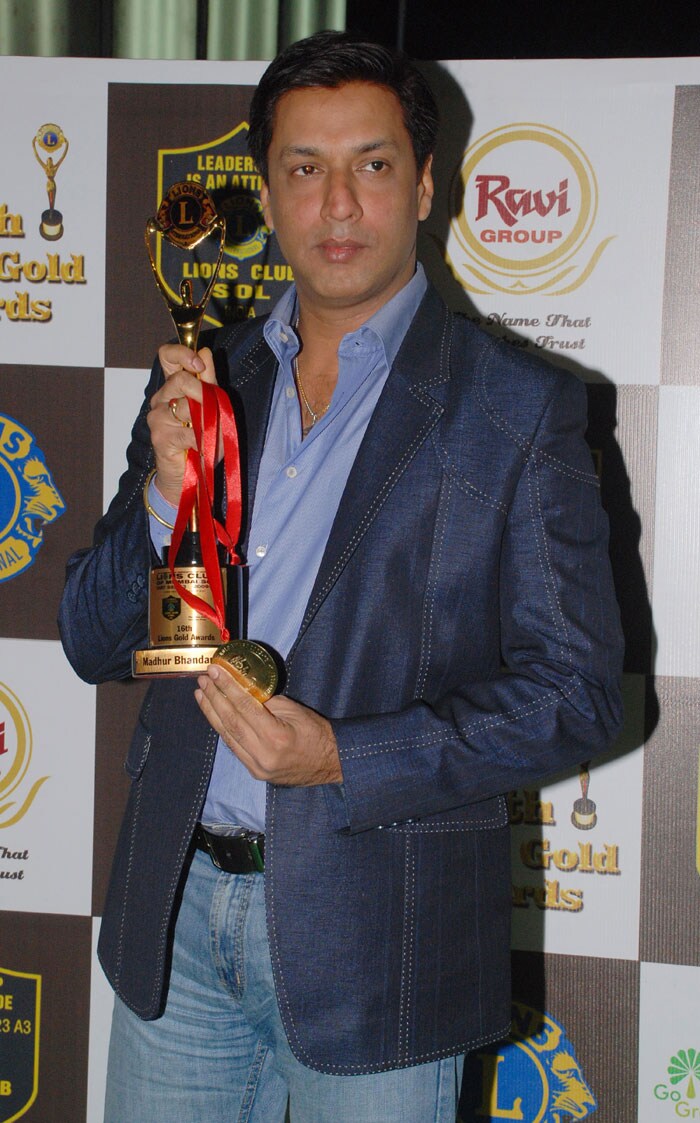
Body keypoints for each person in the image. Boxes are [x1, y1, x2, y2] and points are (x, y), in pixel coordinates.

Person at [59, 30, 624, 1123]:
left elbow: (578, 694)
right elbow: (90, 637)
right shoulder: (204, 377)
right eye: (303, 171)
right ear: (266, 198)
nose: (336, 206)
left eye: (369, 165)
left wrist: (341, 757)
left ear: (423, 185)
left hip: (383, 943)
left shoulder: (517, 409)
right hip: (172, 921)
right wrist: (161, 498)